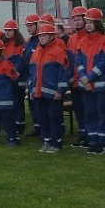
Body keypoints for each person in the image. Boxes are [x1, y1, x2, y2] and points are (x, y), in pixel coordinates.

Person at [28, 22, 70, 153]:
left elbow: (64, 73)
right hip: (39, 93)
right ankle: (46, 141)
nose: (41, 37)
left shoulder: (58, 51)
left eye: (44, 35)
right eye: (40, 35)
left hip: (53, 94)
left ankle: (56, 143)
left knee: (54, 118)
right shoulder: (36, 51)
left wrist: (60, 91)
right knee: (43, 118)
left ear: (52, 36)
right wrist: (31, 90)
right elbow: (32, 73)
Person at [75, 7, 105, 154]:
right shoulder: (82, 41)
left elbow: (104, 62)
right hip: (86, 86)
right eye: (87, 22)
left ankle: (101, 143)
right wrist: (84, 77)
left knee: (101, 113)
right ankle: (93, 140)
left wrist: (88, 78)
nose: (88, 25)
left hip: (99, 86)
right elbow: (78, 59)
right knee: (89, 113)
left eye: (92, 22)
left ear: (98, 23)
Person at [66, 6, 89, 147]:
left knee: (88, 111)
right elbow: (68, 60)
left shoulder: (90, 37)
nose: (77, 22)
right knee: (79, 111)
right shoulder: (72, 39)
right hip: (74, 81)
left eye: (79, 19)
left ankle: (89, 136)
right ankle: (82, 136)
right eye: (74, 19)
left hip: (86, 81)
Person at [1, 19, 27, 135]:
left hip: (17, 79)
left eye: (9, 30)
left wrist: (13, 74)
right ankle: (12, 126)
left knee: (18, 103)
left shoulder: (20, 45)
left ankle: (19, 126)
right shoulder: (4, 44)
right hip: (7, 79)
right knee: (10, 103)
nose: (7, 33)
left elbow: (20, 62)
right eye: (5, 30)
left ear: (15, 31)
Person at [22, 14, 42, 137]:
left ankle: (42, 128)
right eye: (27, 26)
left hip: (38, 77)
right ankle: (37, 127)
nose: (28, 28)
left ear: (37, 25)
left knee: (38, 103)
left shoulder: (40, 41)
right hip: (30, 76)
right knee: (32, 102)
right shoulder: (29, 42)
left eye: (31, 26)